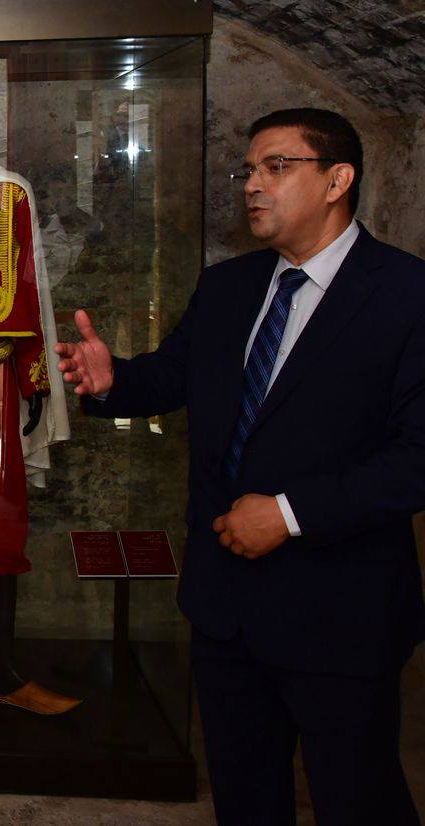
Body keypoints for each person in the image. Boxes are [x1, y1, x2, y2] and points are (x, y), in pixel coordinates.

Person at [56, 108, 424, 824]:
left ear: (337, 181)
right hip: (225, 611)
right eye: (249, 169)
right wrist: (112, 381)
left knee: (359, 800)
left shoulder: (407, 295)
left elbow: (417, 458)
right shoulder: (229, 287)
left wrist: (288, 514)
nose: (253, 184)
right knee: (246, 801)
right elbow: (172, 377)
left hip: (340, 616)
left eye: (276, 167)